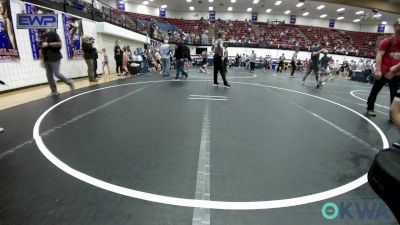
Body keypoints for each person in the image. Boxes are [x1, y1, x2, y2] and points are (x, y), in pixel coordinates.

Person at [366, 18, 400, 117]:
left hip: (396, 74)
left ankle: (393, 114)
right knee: (375, 91)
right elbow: (379, 55)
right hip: (384, 72)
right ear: (395, 27)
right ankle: (370, 108)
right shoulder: (387, 41)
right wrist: (378, 70)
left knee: (395, 96)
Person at [40, 29, 74, 96]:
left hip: (54, 57)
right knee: (49, 76)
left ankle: (69, 82)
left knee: (57, 74)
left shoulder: (53, 34)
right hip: (46, 59)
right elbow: (41, 49)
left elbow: (59, 44)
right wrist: (41, 60)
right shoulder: (42, 37)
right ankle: (54, 91)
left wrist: (48, 44)